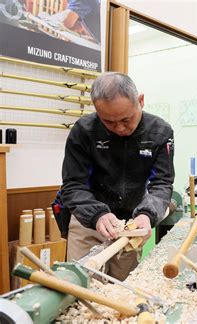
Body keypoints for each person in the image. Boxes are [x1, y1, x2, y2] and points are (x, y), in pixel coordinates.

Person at [60, 72, 174, 280]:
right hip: (89, 221)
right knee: (82, 287)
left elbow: (162, 183)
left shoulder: (160, 132)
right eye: (109, 122)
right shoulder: (83, 131)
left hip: (131, 224)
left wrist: (147, 214)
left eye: (126, 119)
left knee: (122, 287)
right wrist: (97, 215)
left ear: (140, 100)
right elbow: (73, 186)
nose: (120, 128)